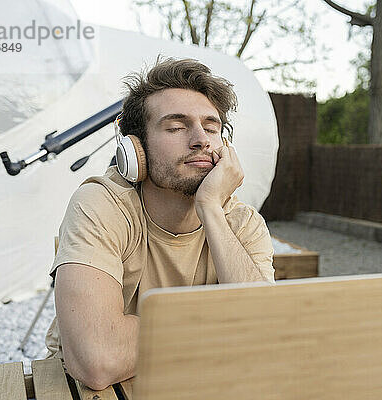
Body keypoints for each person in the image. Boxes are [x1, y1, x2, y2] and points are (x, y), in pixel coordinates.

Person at [44, 58, 276, 390]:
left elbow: (266, 335)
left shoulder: (243, 222)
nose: (201, 140)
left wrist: (209, 207)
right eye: (176, 127)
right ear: (134, 149)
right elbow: (98, 359)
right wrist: (229, 320)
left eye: (212, 127)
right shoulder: (101, 204)